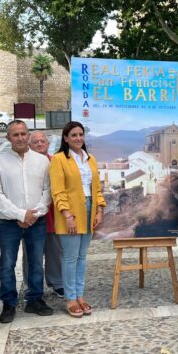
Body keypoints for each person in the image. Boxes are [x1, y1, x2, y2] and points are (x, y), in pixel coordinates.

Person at [0, 121, 53, 323]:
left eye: (23, 133)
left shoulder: (42, 161)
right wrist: (20, 214)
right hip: (10, 223)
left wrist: (34, 214)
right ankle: (9, 303)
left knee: (36, 261)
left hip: (37, 220)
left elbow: (48, 191)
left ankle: (35, 299)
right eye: (15, 134)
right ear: (8, 137)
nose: (20, 138)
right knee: (7, 263)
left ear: (28, 136)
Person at [49, 121, 106, 318]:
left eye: (80, 134)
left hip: (89, 209)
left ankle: (80, 295)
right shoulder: (59, 159)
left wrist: (99, 210)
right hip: (70, 212)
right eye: (73, 135)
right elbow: (58, 191)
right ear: (65, 138)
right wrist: (67, 215)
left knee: (82, 257)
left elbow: (97, 188)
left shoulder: (90, 159)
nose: (78, 138)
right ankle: (70, 298)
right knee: (70, 257)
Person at [29, 130, 64, 297]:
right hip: (31, 215)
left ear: (48, 144)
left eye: (42, 141)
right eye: (35, 142)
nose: (39, 144)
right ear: (29, 145)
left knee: (55, 251)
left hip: (53, 215)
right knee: (32, 254)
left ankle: (57, 282)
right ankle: (33, 286)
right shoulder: (25, 163)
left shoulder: (56, 162)